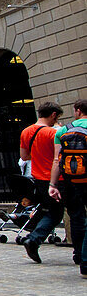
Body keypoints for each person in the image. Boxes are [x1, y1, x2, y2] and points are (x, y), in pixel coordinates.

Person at [18, 102, 64, 263]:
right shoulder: (52, 133)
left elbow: (24, 156)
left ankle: (34, 239)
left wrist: (37, 156)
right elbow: (58, 157)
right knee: (63, 212)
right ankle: (34, 239)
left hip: (38, 178)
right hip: (56, 178)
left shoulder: (26, 131)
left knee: (52, 211)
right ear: (53, 114)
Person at [48, 99, 87, 278]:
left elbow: (57, 160)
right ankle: (85, 262)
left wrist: (53, 184)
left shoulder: (64, 130)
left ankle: (79, 255)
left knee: (78, 217)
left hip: (73, 180)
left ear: (78, 111)